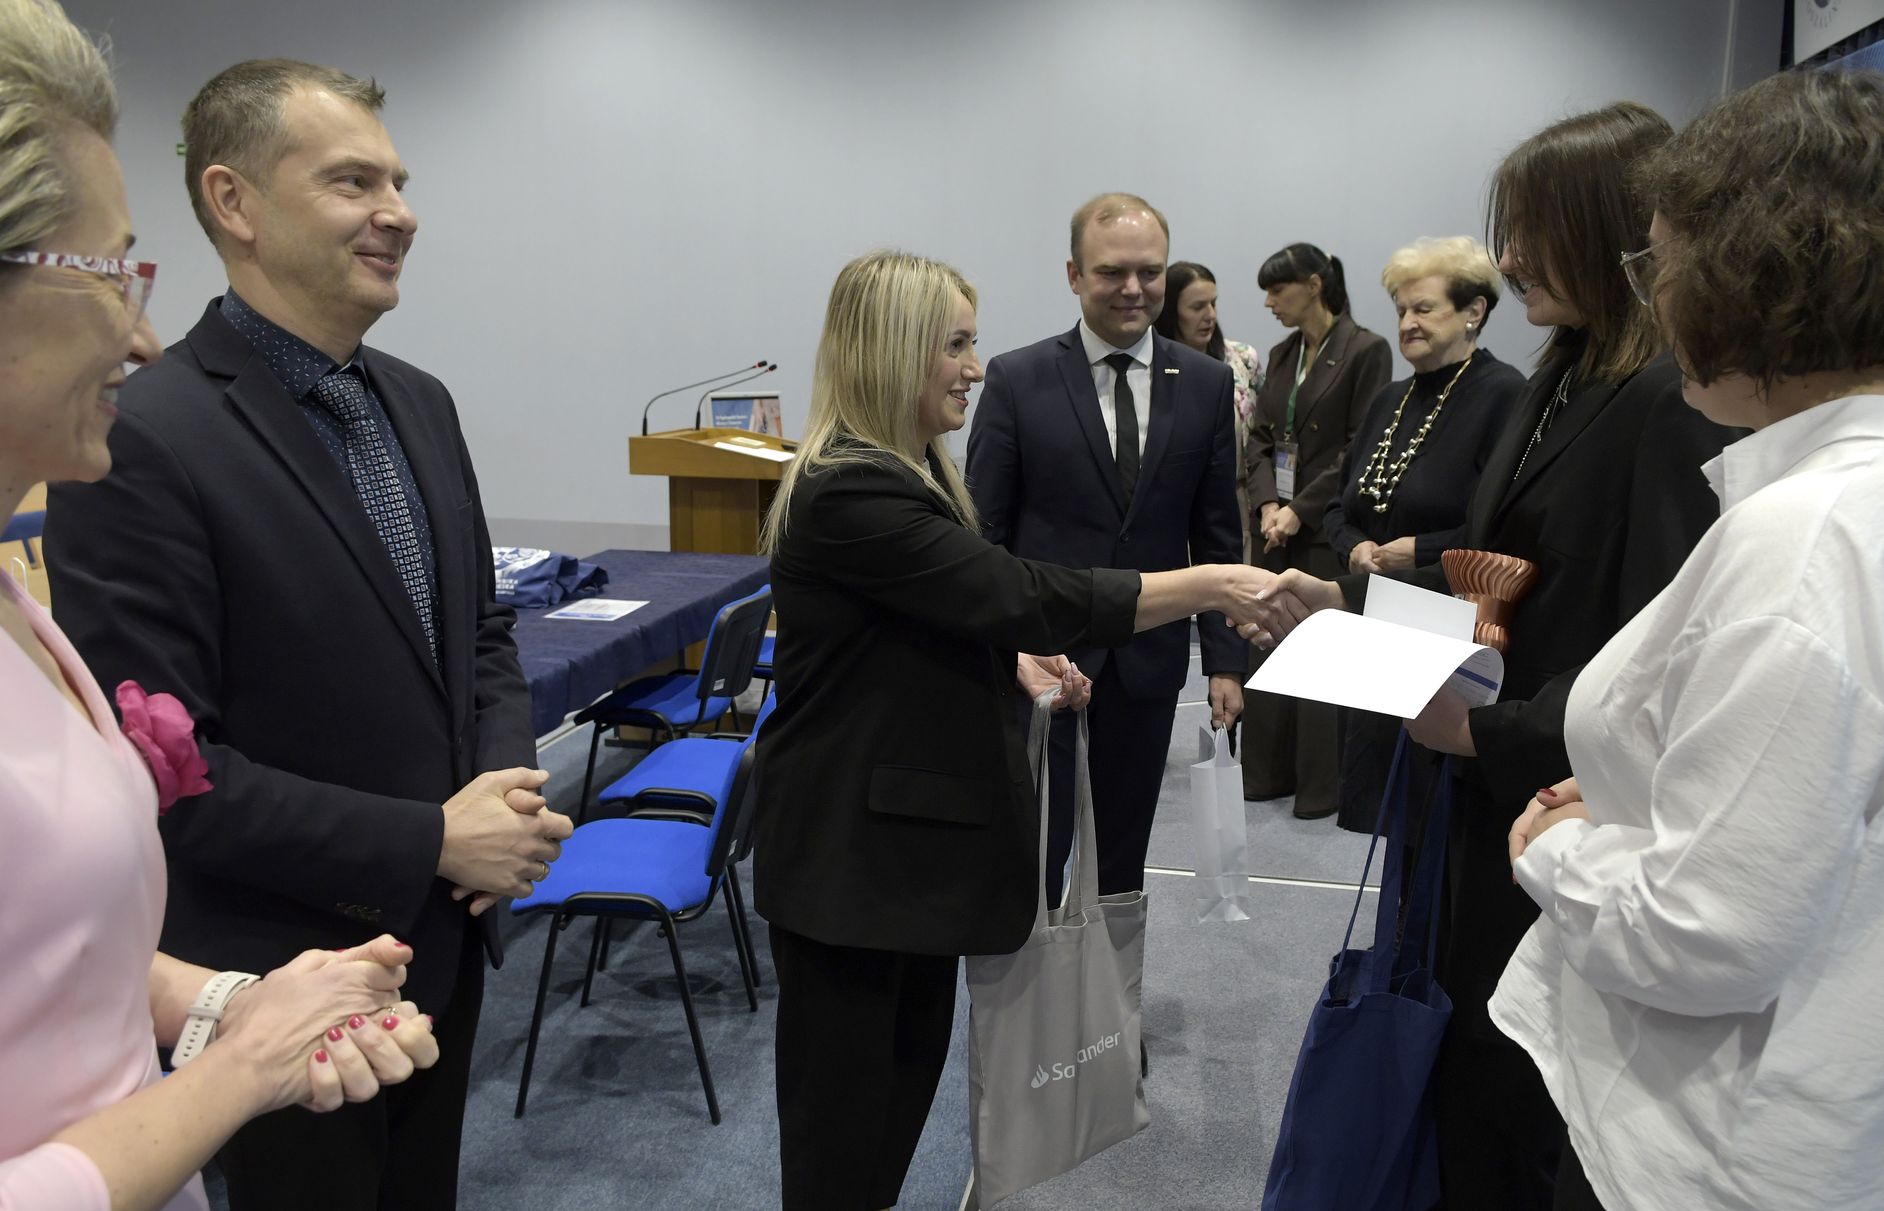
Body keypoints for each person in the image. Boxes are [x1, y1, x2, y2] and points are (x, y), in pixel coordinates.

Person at [44, 58, 571, 1211]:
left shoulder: (418, 401)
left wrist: (502, 796)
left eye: (399, 181)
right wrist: (432, 838)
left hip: (444, 945)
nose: (400, 212)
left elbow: (479, 632)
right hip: (275, 977)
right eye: (353, 181)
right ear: (233, 201)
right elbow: (172, 774)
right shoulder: (142, 436)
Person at [1241, 103, 1740, 1208]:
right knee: (1460, 1061)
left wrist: (1491, 731)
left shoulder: (1667, 399)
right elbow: (1493, 573)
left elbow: (1658, 655)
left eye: (1532, 230)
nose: (1509, 259)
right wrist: (1349, 599)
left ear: (1610, 227)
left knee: (1517, 1094)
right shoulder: (1562, 370)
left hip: (1559, 801)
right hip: (1476, 795)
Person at [0, 4, 440, 1208]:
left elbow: (49, 946)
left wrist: (227, 1001)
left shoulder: (20, 608)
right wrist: (238, 1067)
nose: (142, 335)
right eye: (109, 273)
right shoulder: (160, 440)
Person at [756, 249, 1282, 1210]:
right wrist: (1207, 584)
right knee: (841, 1151)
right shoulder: (848, 487)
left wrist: (1009, 658)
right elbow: (1018, 590)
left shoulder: (910, 470)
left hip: (902, 860)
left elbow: (935, 618)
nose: (973, 367)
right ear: (892, 351)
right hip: (851, 868)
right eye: (954, 345)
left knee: (885, 1130)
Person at [1494, 68, 1884, 1211]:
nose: (1654, 297)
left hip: (1700, 1148)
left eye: (1657, 262)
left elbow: (1704, 933)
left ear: (1744, 274)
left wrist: (1556, 847)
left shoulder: (1804, 541)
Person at [965, 193, 1246, 903]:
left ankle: (1112, 979)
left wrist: (1224, 660)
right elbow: (985, 535)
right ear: (1074, 275)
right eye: (1112, 271)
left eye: (1150, 272)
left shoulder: (1206, 383)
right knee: (1032, 854)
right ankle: (1026, 979)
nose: (1133, 288)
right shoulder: (1017, 378)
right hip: (1044, 663)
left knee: (1122, 860)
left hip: (1149, 664)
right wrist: (1001, 649)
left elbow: (1216, 531)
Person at [1323, 236, 1526, 833]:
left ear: (1474, 311)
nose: (1407, 323)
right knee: (1382, 800)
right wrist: (1354, 546)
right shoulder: (1391, 398)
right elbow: (1339, 505)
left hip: (1447, 618)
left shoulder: (1504, 395)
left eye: (1425, 308)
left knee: (1432, 806)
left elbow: (1502, 525)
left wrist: (1421, 549)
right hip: (1374, 618)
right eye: (1401, 310)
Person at [1242, 241, 1391, 817]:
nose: (1269, 303)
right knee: (1267, 642)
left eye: (1277, 290)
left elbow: (1359, 445)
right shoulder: (1281, 354)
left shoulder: (1365, 350)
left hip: (1321, 526)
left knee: (1319, 655)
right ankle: (1266, 775)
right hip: (1273, 525)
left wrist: (1299, 509)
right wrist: (1265, 504)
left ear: (1313, 285)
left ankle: (1320, 788)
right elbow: (1260, 439)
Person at [1155, 260, 1265, 559]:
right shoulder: (1153, 366)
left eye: (1213, 303)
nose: (1210, 315)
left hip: (1240, 500)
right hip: (1175, 505)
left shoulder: (1242, 358)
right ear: (1171, 311)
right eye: (1197, 307)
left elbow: (1264, 435)